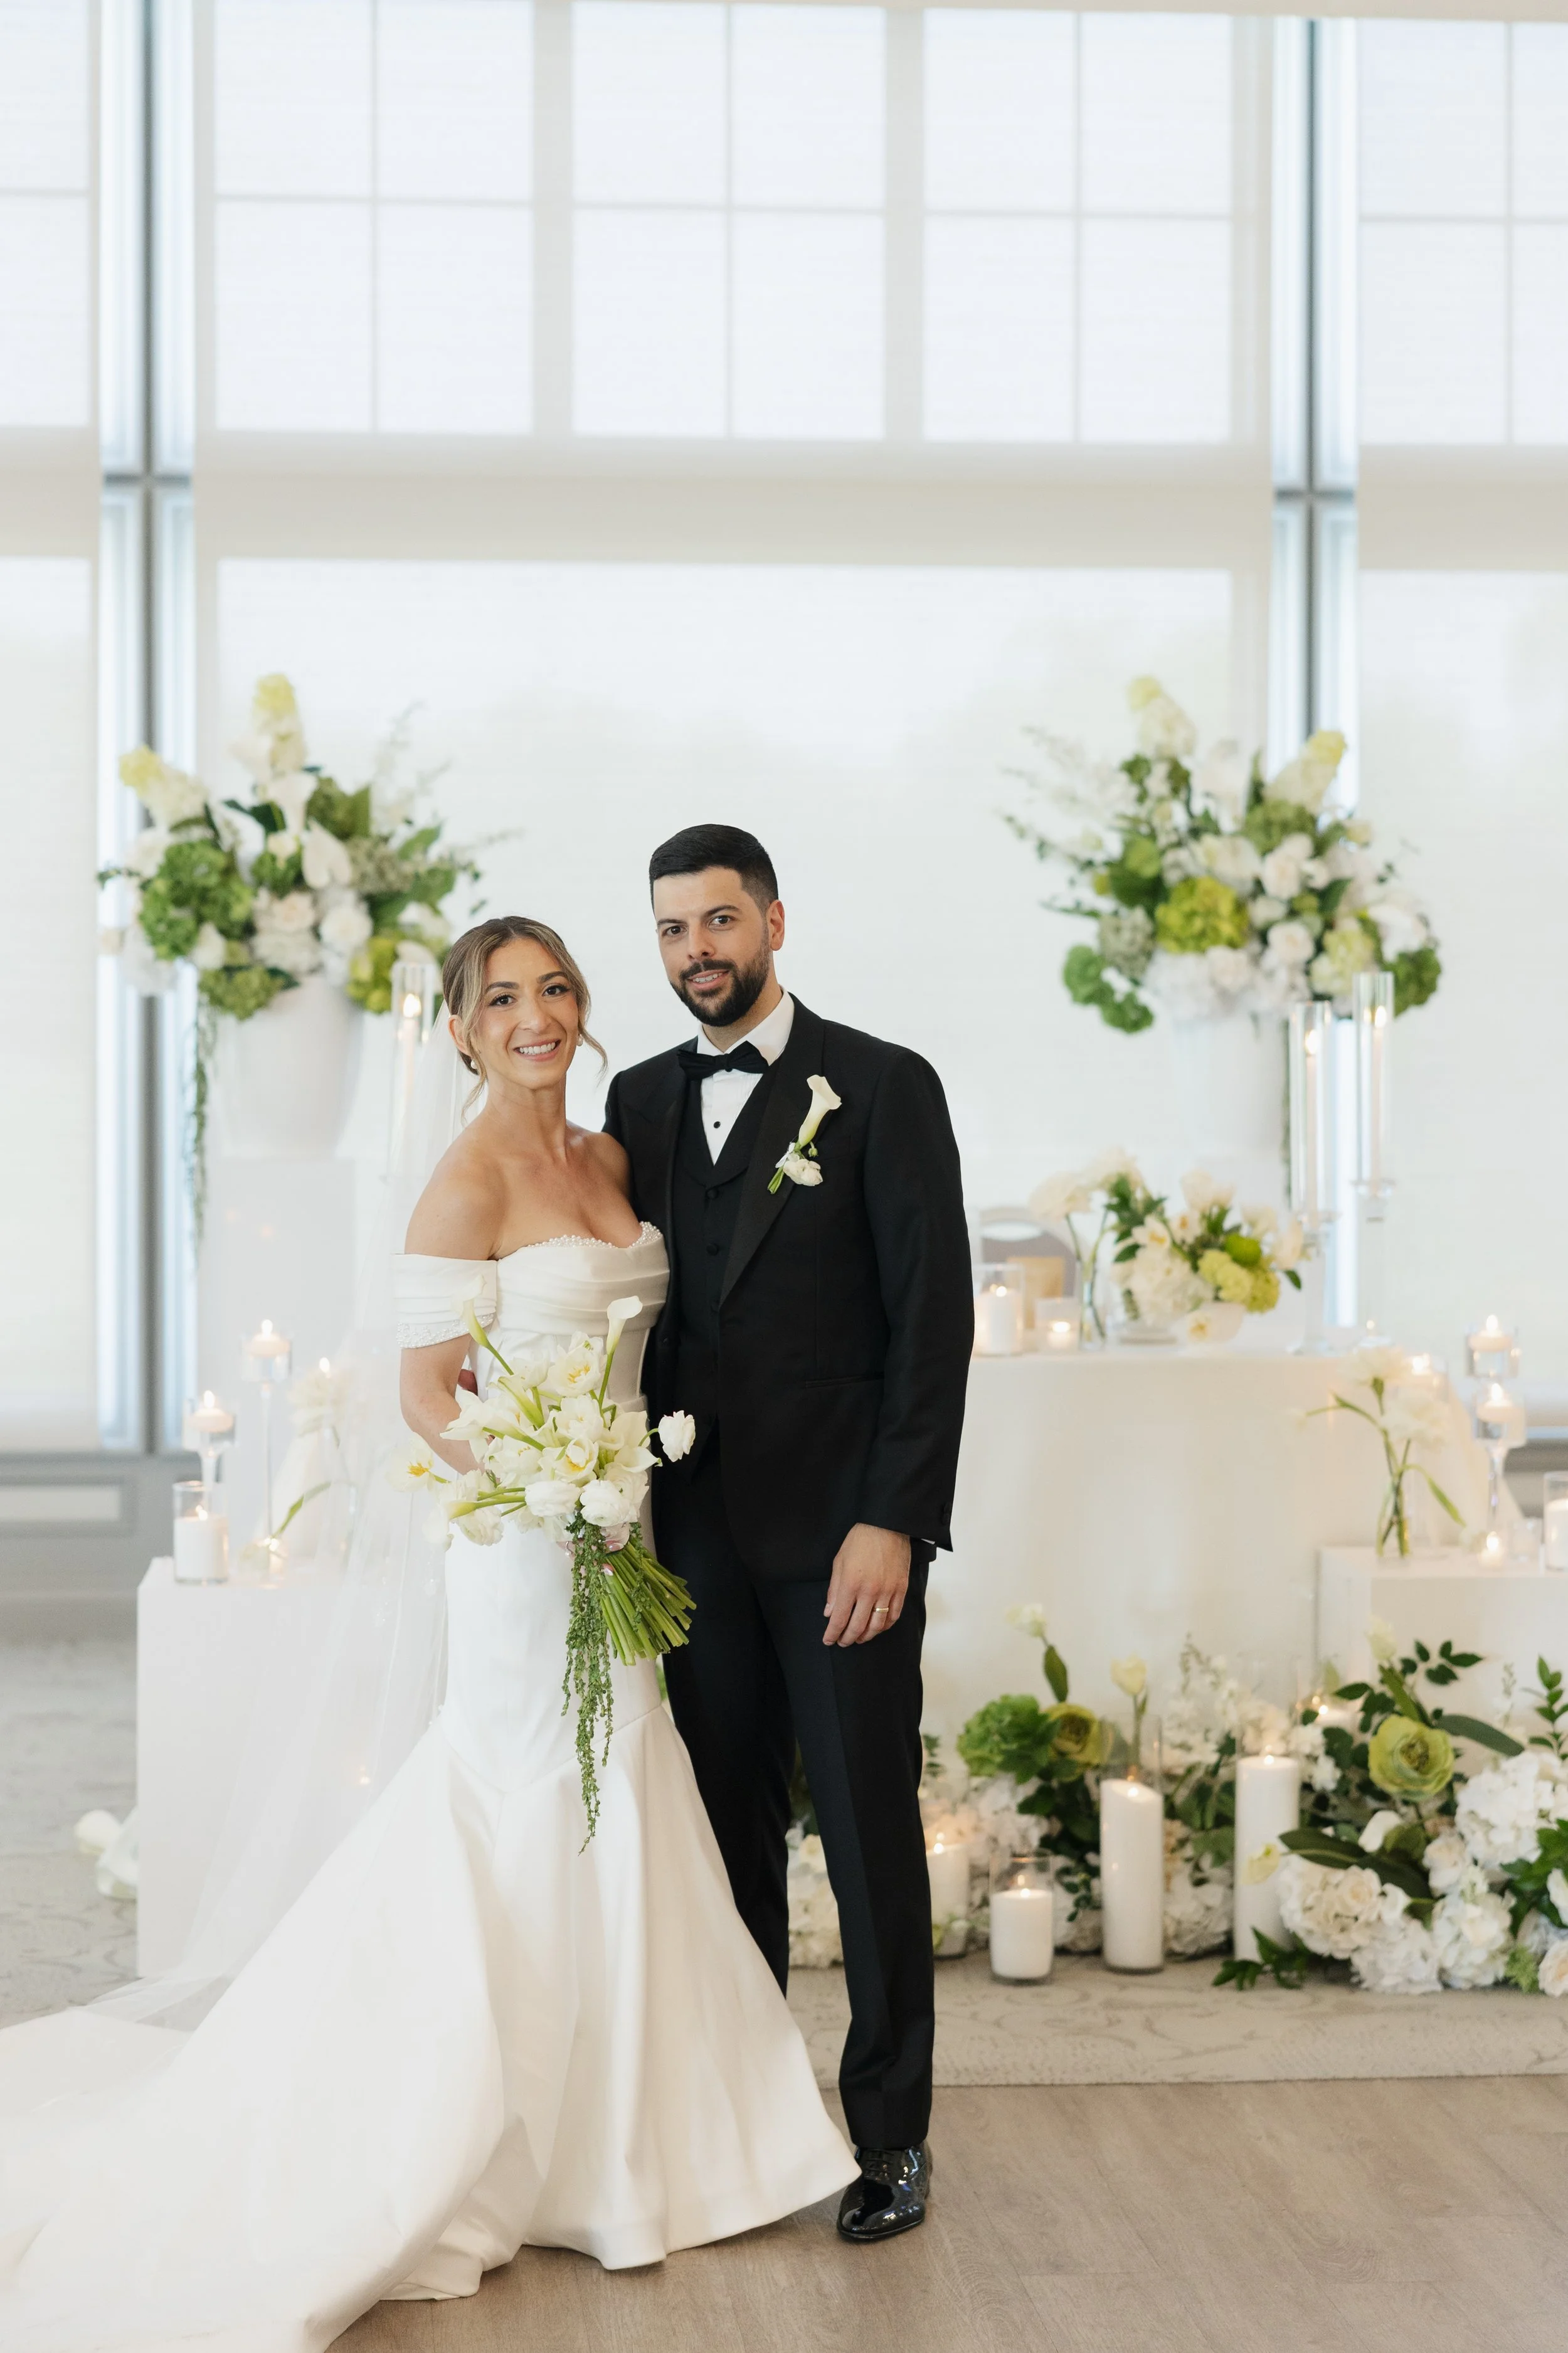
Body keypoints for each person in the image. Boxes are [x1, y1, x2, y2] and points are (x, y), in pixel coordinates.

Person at [0, 915, 854, 2350]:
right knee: (530, 1787)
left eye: (555, 988)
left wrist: (608, 1492)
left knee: (626, 1780)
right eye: (502, 998)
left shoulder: (611, 1157)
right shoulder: (463, 1181)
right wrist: (544, 1491)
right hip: (523, 1538)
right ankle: (497, 2130)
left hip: (622, 1517)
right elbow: (424, 1393)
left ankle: (642, 2141)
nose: (535, 1016)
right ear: (460, 1030)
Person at [604, 826, 973, 2243]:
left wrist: (895, 1520)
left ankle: (890, 2140)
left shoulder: (880, 1086)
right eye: (671, 930)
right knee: (721, 1840)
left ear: (772, 921)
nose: (695, 951)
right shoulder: (636, 1100)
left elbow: (932, 1323)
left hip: (841, 1540)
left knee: (869, 1834)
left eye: (718, 921)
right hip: (687, 1538)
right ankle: (751, 2127)